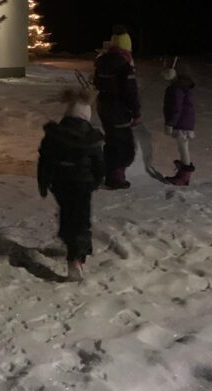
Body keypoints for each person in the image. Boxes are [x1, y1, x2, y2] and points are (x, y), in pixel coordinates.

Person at [38, 87, 105, 281]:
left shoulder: (54, 135)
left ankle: (70, 242)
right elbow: (99, 163)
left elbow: (45, 160)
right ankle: (75, 258)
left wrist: (43, 182)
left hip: (60, 183)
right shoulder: (91, 138)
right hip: (82, 184)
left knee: (68, 212)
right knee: (81, 219)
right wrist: (97, 180)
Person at [93, 31, 141, 188]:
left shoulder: (102, 62)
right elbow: (131, 92)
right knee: (124, 143)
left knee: (112, 139)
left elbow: (96, 83)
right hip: (119, 109)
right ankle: (116, 177)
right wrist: (136, 112)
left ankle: (108, 172)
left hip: (104, 106)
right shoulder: (124, 65)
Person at [162, 58, 196, 186]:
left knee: (183, 148)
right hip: (184, 122)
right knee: (183, 147)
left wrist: (170, 123)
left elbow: (176, 108)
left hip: (182, 124)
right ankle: (183, 174)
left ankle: (184, 176)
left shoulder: (177, 89)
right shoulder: (181, 87)